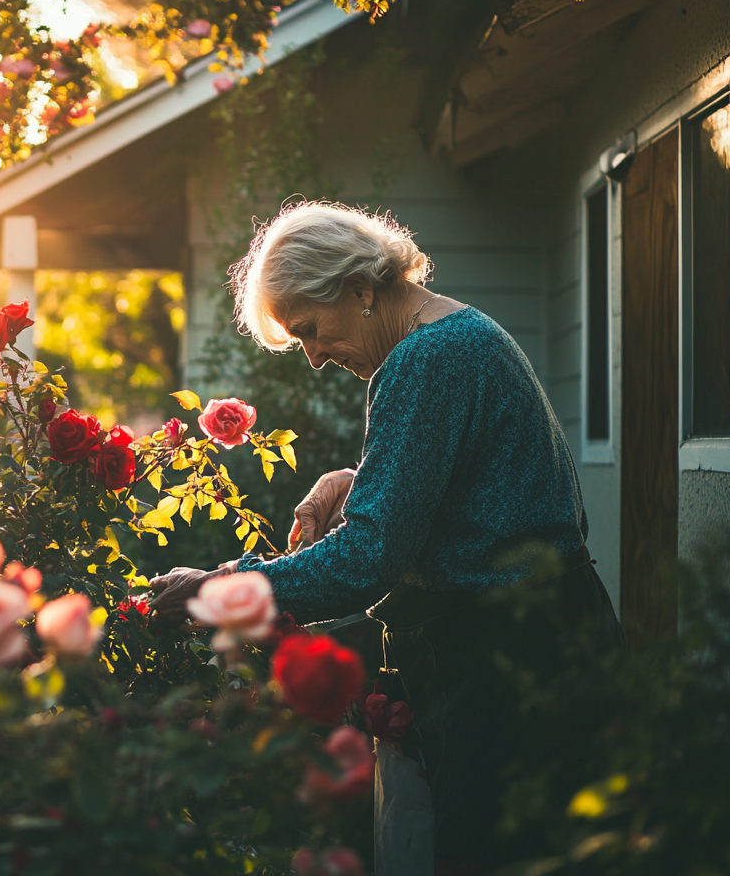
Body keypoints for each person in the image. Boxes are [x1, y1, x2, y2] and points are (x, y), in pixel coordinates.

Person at [148, 201, 622, 874]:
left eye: (310, 330)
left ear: (361, 289)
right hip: (542, 639)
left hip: (505, 665)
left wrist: (219, 587)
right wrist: (357, 478)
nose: (312, 358)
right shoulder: (459, 334)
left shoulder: (425, 360)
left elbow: (368, 558)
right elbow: (470, 486)